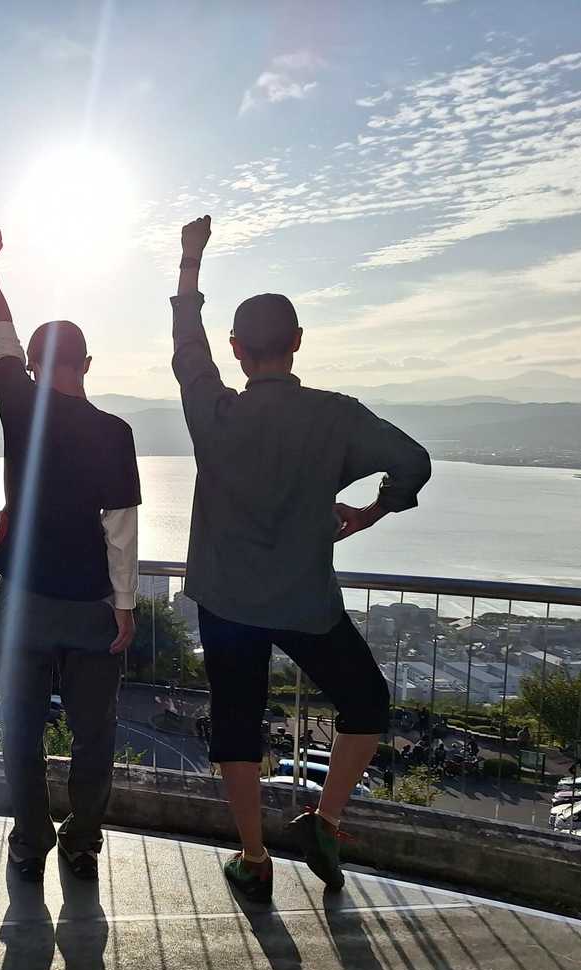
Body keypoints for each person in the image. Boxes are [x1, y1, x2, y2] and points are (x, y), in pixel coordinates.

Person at [171, 215, 431, 901]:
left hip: (227, 601)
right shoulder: (335, 415)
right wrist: (373, 510)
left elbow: (186, 344)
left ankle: (254, 857)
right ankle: (326, 819)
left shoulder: (213, 412)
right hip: (305, 601)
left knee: (236, 721)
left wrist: (190, 260)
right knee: (366, 702)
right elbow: (413, 460)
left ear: (236, 349)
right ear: (297, 342)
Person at [0, 227, 140, 883]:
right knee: (94, 732)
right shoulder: (115, 433)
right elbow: (119, 528)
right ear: (87, 364)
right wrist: (124, 605)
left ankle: (31, 836)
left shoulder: (18, 404)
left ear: (35, 366)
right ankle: (83, 840)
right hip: (91, 604)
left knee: (20, 728)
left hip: (24, 599)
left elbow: (1, 331)